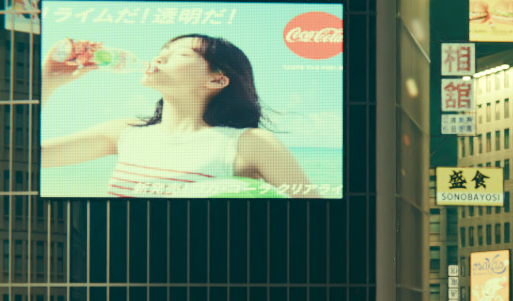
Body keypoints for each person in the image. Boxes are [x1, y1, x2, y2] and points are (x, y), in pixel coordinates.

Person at [42, 33, 314, 198]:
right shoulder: (124, 133)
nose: (158, 59)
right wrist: (47, 81)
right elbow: (32, 159)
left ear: (217, 80)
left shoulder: (250, 143)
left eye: (179, 54)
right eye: (161, 53)